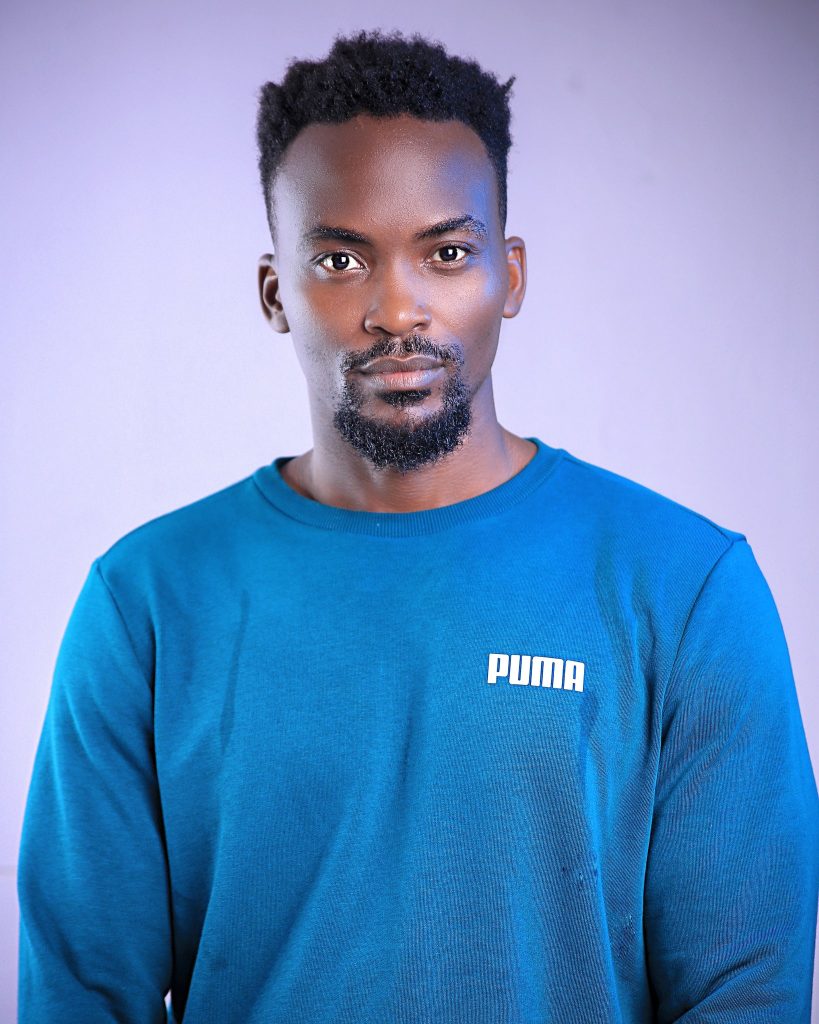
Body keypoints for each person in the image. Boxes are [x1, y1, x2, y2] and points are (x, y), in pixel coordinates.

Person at [16, 28, 819, 1024]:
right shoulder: (146, 601)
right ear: (274, 293)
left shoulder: (685, 588)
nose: (399, 309)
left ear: (508, 276)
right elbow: (80, 994)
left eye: (445, 253)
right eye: (340, 258)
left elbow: (746, 993)